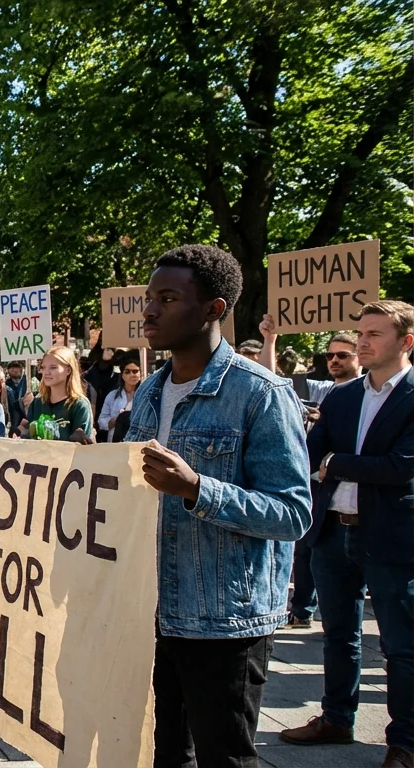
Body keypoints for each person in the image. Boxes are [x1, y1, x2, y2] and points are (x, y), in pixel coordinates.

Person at [125, 244, 311, 766]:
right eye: (148, 298)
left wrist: (198, 489)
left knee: (223, 757)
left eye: (167, 298)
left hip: (223, 621)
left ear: (214, 309)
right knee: (163, 754)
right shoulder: (149, 393)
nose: (150, 311)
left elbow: (293, 512)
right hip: (152, 612)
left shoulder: (261, 393)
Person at [279, 300, 414, 768]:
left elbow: (401, 468)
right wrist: (333, 462)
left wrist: (336, 463)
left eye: (375, 333)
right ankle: (337, 717)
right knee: (338, 635)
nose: (363, 341)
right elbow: (309, 454)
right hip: (333, 531)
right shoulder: (342, 396)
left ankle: (406, 743)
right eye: (362, 332)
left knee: (400, 647)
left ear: (405, 341)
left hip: (392, 538)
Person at [258, 317, 364, 631]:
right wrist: (270, 341)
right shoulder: (321, 389)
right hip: (322, 494)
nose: (334, 361)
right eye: (330, 355)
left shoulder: (376, 396)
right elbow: (270, 380)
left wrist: (333, 460)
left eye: (342, 355)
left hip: (368, 506)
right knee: (306, 553)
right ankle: (303, 608)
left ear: (360, 357)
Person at [19, 346, 95, 442]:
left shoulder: (80, 405)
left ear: (68, 370)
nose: (46, 372)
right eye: (43, 367)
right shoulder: (37, 403)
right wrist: (22, 431)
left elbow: (81, 449)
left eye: (53, 367)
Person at [98, 356, 143, 443]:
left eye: (135, 371)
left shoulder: (146, 395)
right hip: (116, 440)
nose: (132, 375)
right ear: (122, 375)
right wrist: (112, 422)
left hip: (137, 439)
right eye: (127, 372)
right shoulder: (112, 395)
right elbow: (101, 420)